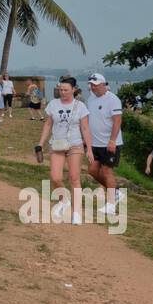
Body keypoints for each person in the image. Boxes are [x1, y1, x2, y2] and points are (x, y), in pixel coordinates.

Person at [35, 78, 92, 225]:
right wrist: (41, 143)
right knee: (55, 177)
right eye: (60, 89)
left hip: (75, 144)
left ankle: (77, 212)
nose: (63, 92)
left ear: (74, 89)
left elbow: (85, 128)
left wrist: (89, 149)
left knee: (74, 178)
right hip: (57, 144)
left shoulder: (80, 106)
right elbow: (48, 125)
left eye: (66, 89)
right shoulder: (53, 104)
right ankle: (64, 200)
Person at [84, 73, 124, 216]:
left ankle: (111, 204)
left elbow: (117, 121)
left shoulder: (113, 99)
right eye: (91, 84)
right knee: (93, 170)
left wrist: (112, 140)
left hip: (110, 143)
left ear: (103, 84)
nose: (93, 87)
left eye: (95, 84)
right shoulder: (91, 98)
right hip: (95, 143)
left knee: (106, 171)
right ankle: (116, 192)